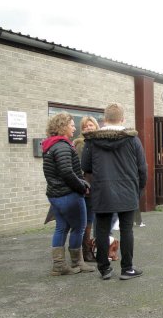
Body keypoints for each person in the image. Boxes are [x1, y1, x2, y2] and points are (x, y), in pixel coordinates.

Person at [82, 103, 148, 280]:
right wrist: (139, 189)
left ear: (104, 120)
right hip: (127, 190)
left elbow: (86, 166)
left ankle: (104, 269)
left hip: (102, 190)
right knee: (127, 230)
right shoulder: (133, 139)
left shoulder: (91, 141)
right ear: (123, 119)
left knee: (102, 231)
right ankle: (127, 269)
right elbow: (142, 168)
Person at [42, 112, 94, 276]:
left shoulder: (50, 145)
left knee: (61, 228)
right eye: (71, 125)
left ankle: (59, 266)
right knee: (79, 227)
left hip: (55, 195)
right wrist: (82, 186)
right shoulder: (63, 146)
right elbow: (67, 172)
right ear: (63, 127)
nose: (74, 128)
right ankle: (77, 262)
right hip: (68, 194)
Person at [73, 116, 100, 262]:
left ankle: (92, 249)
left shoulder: (99, 143)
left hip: (98, 186)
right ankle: (86, 251)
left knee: (93, 218)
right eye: (85, 126)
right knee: (87, 220)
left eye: (91, 125)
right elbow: (78, 168)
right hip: (87, 188)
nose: (88, 128)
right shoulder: (80, 145)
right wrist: (84, 185)